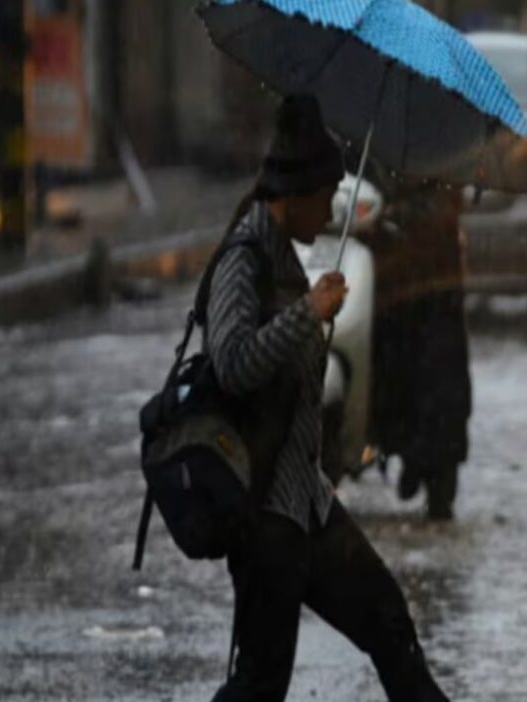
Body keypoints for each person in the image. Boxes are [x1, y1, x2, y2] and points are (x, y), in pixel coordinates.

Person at [205, 95, 449, 702]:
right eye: (323, 197)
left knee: (390, 626)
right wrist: (305, 314)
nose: (328, 211)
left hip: (306, 503)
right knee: (260, 683)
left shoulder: (284, 254)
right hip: (265, 516)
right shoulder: (243, 259)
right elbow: (231, 364)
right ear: (294, 192)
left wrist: (313, 326)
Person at [370, 183, 472, 520]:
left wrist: (408, 216)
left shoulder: (443, 146)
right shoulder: (364, 141)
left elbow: (449, 199)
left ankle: (429, 463)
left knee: (437, 381)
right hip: (388, 282)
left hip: (433, 285)